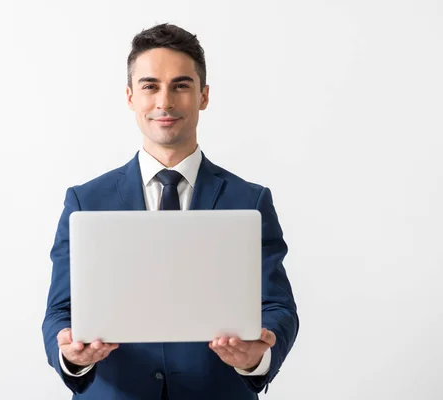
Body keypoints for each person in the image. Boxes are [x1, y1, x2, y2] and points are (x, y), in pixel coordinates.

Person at [42, 23, 299, 400]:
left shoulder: (250, 200)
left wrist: (254, 358)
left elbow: (277, 305)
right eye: (150, 86)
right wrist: (72, 357)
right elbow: (60, 311)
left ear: (204, 96)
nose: (165, 102)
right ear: (130, 97)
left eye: (181, 85)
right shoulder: (85, 201)